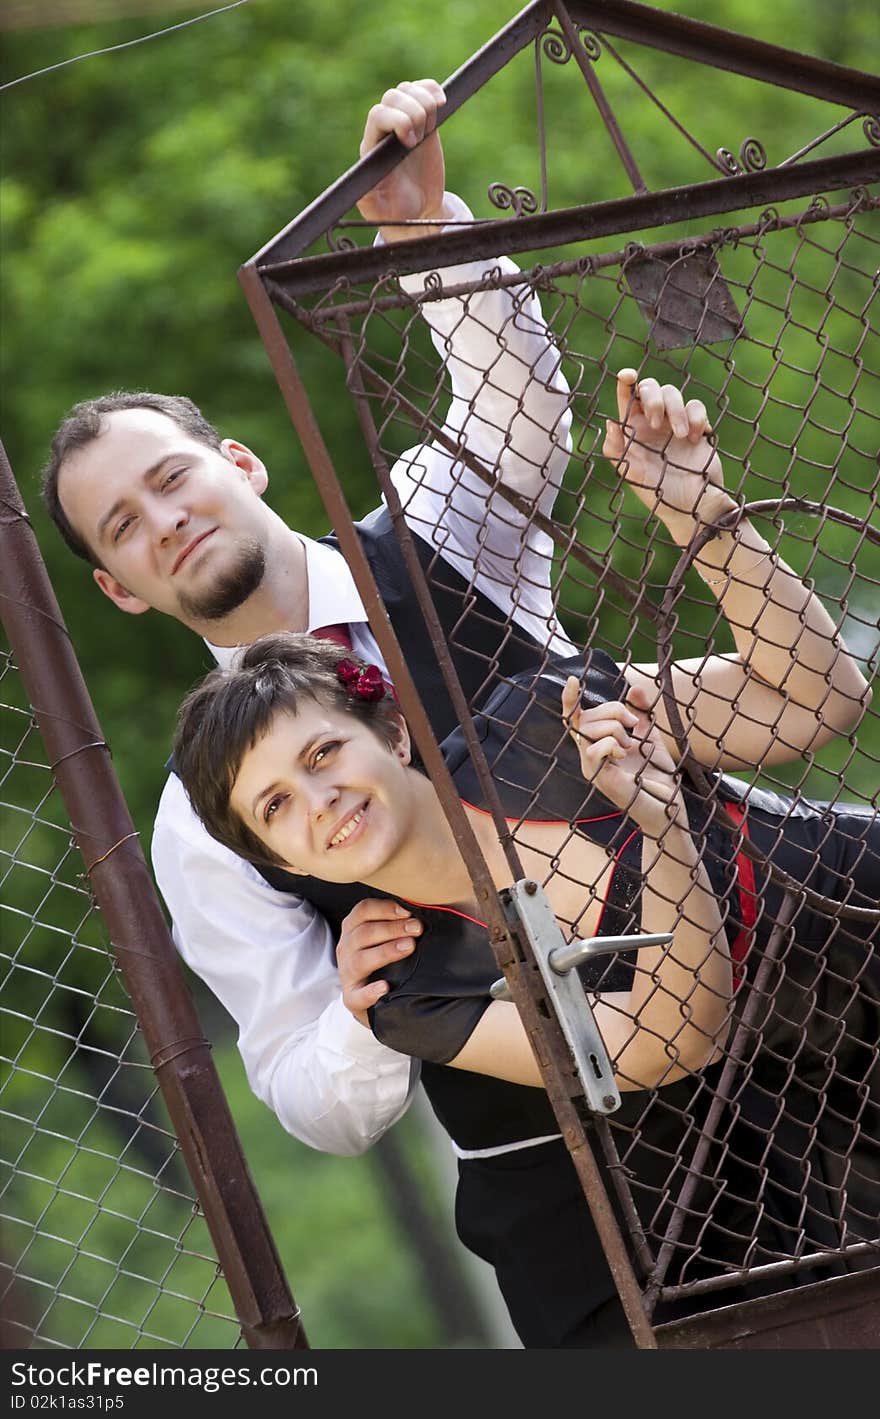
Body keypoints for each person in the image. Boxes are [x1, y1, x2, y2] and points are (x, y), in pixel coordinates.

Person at [171, 385, 879, 1344]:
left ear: (391, 730)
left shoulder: (535, 717)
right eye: (275, 809)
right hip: (802, 1104)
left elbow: (815, 700)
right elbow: (666, 1042)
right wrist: (661, 826)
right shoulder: (415, 986)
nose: (319, 802)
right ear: (273, 854)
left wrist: (698, 511)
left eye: (324, 754)